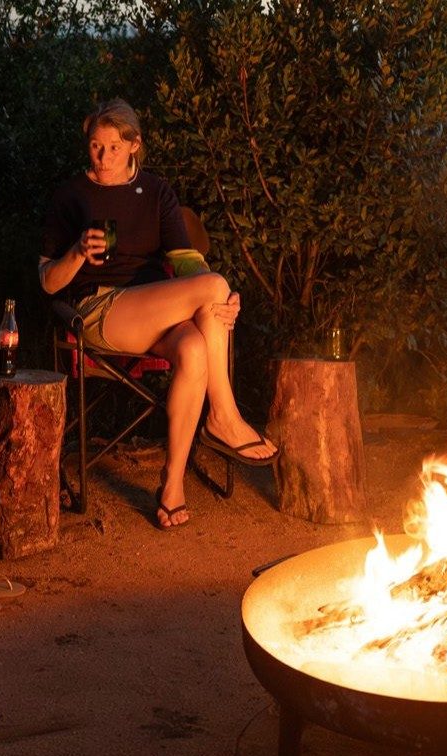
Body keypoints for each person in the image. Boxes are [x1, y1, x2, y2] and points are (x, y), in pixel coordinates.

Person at [40, 98, 278, 529]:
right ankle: (222, 416)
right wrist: (76, 252)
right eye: (95, 146)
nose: (103, 157)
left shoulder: (155, 192)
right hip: (98, 309)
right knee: (215, 286)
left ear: (134, 145)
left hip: (154, 307)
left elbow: (186, 260)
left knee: (193, 346)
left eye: (114, 147)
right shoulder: (72, 195)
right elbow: (47, 282)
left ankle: (171, 484)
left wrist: (221, 305)